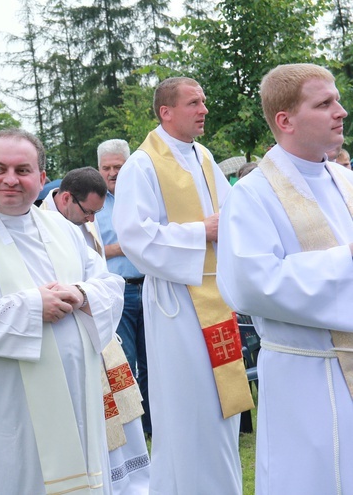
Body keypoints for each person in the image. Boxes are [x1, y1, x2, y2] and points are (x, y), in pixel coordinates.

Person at [0, 129, 125, 494]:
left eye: (23, 170)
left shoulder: (64, 229)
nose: (10, 179)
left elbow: (108, 284)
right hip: (0, 411)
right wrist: (32, 307)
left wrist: (79, 293)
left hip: (74, 403)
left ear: (42, 178)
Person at [216, 63, 353, 495]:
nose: (342, 111)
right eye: (325, 103)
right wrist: (347, 260)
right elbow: (252, 284)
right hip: (307, 372)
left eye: (338, 100)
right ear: (285, 120)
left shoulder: (347, 181)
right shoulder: (252, 196)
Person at [112, 77, 253, 495]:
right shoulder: (142, 164)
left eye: (204, 100)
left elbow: (230, 218)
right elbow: (135, 236)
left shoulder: (205, 156)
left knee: (221, 406)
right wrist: (199, 233)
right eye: (194, 102)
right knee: (187, 406)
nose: (204, 109)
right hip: (176, 299)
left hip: (215, 296)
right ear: (165, 112)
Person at [40, 167, 150, 494]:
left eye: (96, 213)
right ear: (64, 198)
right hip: (70, 335)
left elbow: (101, 276)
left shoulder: (76, 220)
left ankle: (131, 484)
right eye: (88, 212)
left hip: (98, 326)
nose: (91, 221)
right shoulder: (42, 227)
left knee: (123, 418)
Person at [95, 139, 152, 437]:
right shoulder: (94, 202)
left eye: (118, 166)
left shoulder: (142, 195)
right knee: (125, 362)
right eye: (107, 167)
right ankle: (132, 428)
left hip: (152, 287)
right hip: (119, 292)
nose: (113, 173)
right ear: (99, 169)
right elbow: (87, 250)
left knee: (154, 359)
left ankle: (154, 424)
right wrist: (115, 249)